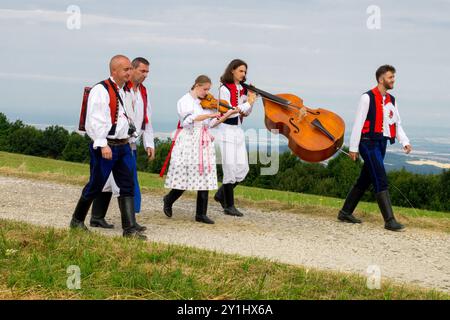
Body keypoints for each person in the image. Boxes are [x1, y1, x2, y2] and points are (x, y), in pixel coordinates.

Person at [70, 54, 146, 239]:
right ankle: (77, 220)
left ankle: (129, 230)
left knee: (127, 185)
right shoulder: (101, 90)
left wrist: (130, 137)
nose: (130, 72)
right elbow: (94, 121)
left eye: (130, 69)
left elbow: (123, 119)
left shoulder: (123, 90)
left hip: (123, 145)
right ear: (114, 71)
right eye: (126, 69)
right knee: (96, 184)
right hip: (106, 146)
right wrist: (103, 145)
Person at [338, 65, 412, 231]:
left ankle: (345, 212)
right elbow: (358, 124)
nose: (393, 80)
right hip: (368, 143)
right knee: (380, 177)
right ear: (381, 79)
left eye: (393, 77)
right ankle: (389, 220)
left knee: (365, 179)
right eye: (390, 77)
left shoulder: (392, 100)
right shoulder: (367, 97)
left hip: (382, 143)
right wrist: (353, 147)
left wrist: (404, 141)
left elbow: (396, 124)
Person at [162, 75, 240, 224]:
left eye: (208, 90)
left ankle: (201, 214)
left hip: (203, 140)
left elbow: (211, 124)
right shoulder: (184, 101)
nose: (207, 93)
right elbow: (187, 121)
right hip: (189, 140)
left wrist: (227, 114)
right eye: (205, 89)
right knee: (185, 176)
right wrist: (209, 114)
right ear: (197, 85)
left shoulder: (203, 103)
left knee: (204, 176)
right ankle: (169, 199)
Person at [89, 57, 155, 231]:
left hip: (127, 141)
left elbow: (146, 119)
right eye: (142, 71)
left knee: (121, 183)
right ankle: (92, 218)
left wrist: (149, 142)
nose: (146, 75)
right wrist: (102, 142)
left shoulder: (142, 91)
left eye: (147, 72)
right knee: (106, 182)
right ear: (131, 70)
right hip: (111, 142)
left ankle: (122, 223)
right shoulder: (117, 90)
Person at [213, 59, 257, 217]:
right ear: (232, 70)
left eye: (245, 72)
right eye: (240, 71)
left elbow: (245, 113)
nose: (243, 74)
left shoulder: (243, 90)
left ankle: (220, 194)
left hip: (238, 130)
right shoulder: (224, 89)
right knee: (230, 169)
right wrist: (248, 103)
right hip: (225, 130)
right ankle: (229, 206)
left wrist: (251, 102)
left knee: (243, 169)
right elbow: (229, 111)